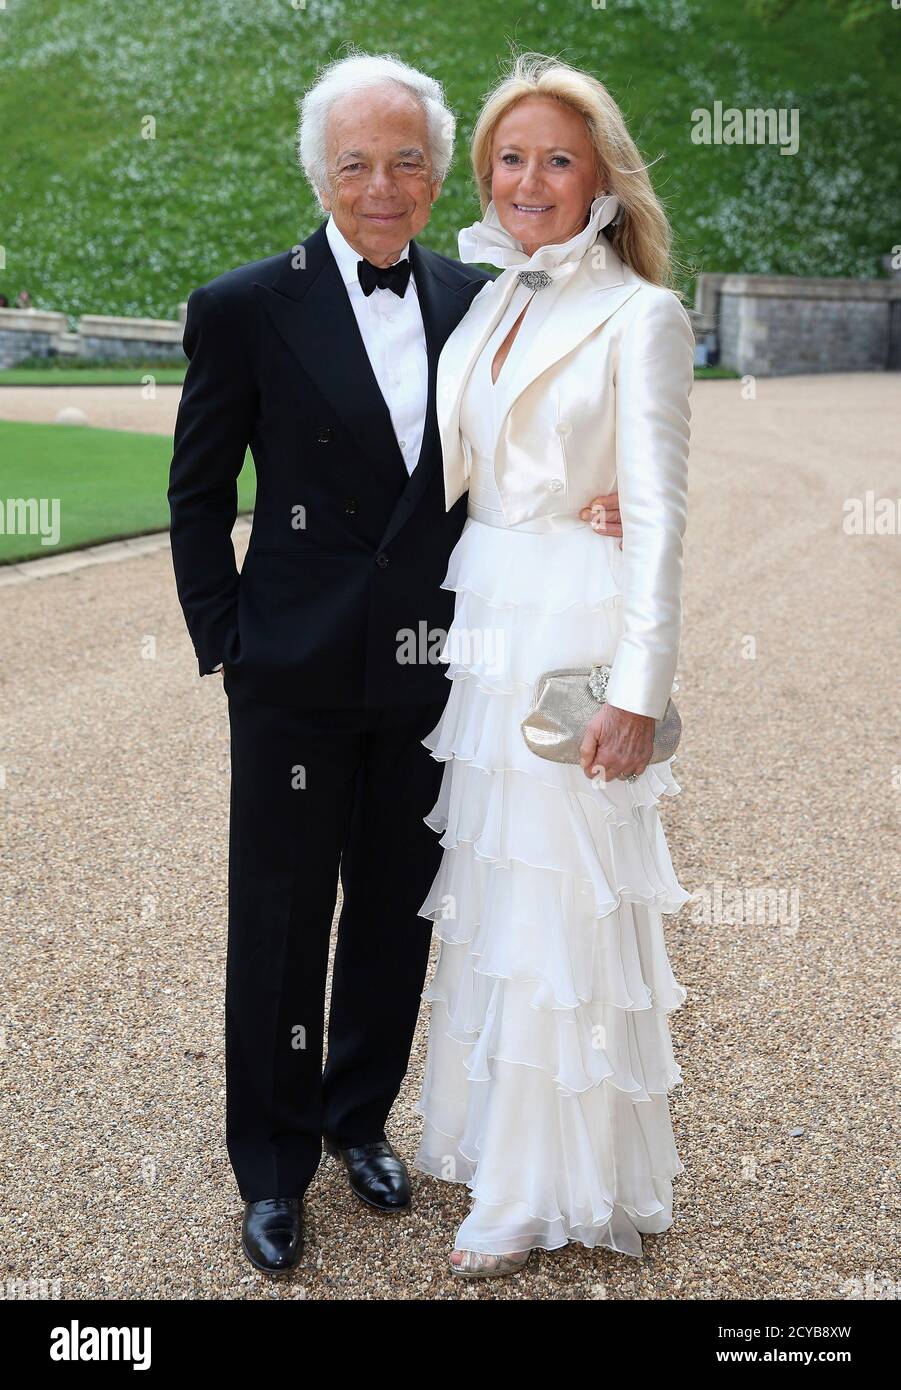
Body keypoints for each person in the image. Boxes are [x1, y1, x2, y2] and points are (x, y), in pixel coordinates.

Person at [167, 52, 620, 1275]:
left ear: (435, 177)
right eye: (357, 162)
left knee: (390, 915)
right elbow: (199, 494)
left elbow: (530, 455)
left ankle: (356, 1118)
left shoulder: (483, 300)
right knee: (278, 918)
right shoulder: (243, 306)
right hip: (292, 675)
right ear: (323, 170)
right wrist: (230, 645)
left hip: (437, 673)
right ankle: (270, 1166)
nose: (382, 184)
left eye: (407, 161)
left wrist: (598, 503)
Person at [412, 52, 695, 1278]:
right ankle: (508, 1148)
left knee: (558, 896)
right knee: (499, 893)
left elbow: (663, 514)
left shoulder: (642, 314)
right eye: (510, 157)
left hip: (571, 631)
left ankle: (543, 1189)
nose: (529, 179)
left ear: (603, 181)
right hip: (488, 616)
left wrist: (638, 690)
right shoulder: (490, 301)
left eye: (557, 158)